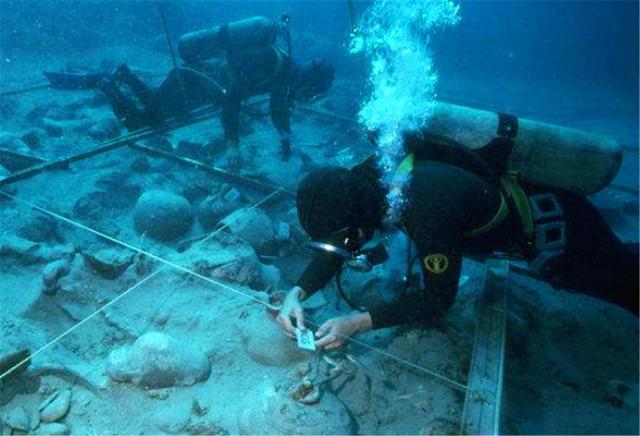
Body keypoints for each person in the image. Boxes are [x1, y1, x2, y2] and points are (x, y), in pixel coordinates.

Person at [275, 129, 639, 350]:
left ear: (356, 217)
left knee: (624, 284)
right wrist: (298, 292)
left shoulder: (426, 202)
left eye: (347, 240)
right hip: (540, 206)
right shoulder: (369, 178)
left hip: (561, 232)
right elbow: (342, 238)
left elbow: (438, 298)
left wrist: (358, 322)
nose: (348, 249)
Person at [100, 24, 334, 172]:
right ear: (307, 82)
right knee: (141, 123)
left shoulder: (282, 70)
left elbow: (278, 108)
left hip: (199, 84)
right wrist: (232, 146)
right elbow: (232, 98)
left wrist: (285, 138)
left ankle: (126, 75)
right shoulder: (271, 62)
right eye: (309, 93)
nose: (305, 98)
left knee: (154, 104)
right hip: (192, 81)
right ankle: (106, 85)